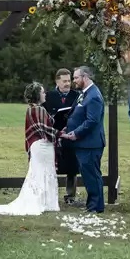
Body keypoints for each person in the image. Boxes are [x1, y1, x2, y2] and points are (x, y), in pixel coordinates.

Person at [0, 82, 60, 216]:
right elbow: (44, 129)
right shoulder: (39, 109)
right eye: (42, 92)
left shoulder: (31, 109)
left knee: (38, 172)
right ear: (37, 95)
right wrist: (60, 133)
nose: (45, 94)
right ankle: (44, 202)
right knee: (44, 172)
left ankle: (44, 201)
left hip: (37, 145)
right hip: (43, 144)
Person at [61, 65, 106, 213]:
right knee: (88, 175)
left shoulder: (94, 96)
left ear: (85, 77)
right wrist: (68, 128)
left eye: (76, 77)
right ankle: (92, 205)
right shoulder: (84, 93)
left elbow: (92, 121)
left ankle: (96, 207)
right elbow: (77, 114)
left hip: (90, 144)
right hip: (83, 143)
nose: (74, 81)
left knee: (92, 175)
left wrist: (76, 133)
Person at [45, 68, 80, 204]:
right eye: (64, 81)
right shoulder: (48, 96)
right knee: (52, 165)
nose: (67, 84)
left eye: (69, 81)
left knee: (72, 165)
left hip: (71, 134)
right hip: (53, 135)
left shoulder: (76, 95)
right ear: (57, 81)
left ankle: (70, 195)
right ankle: (50, 194)